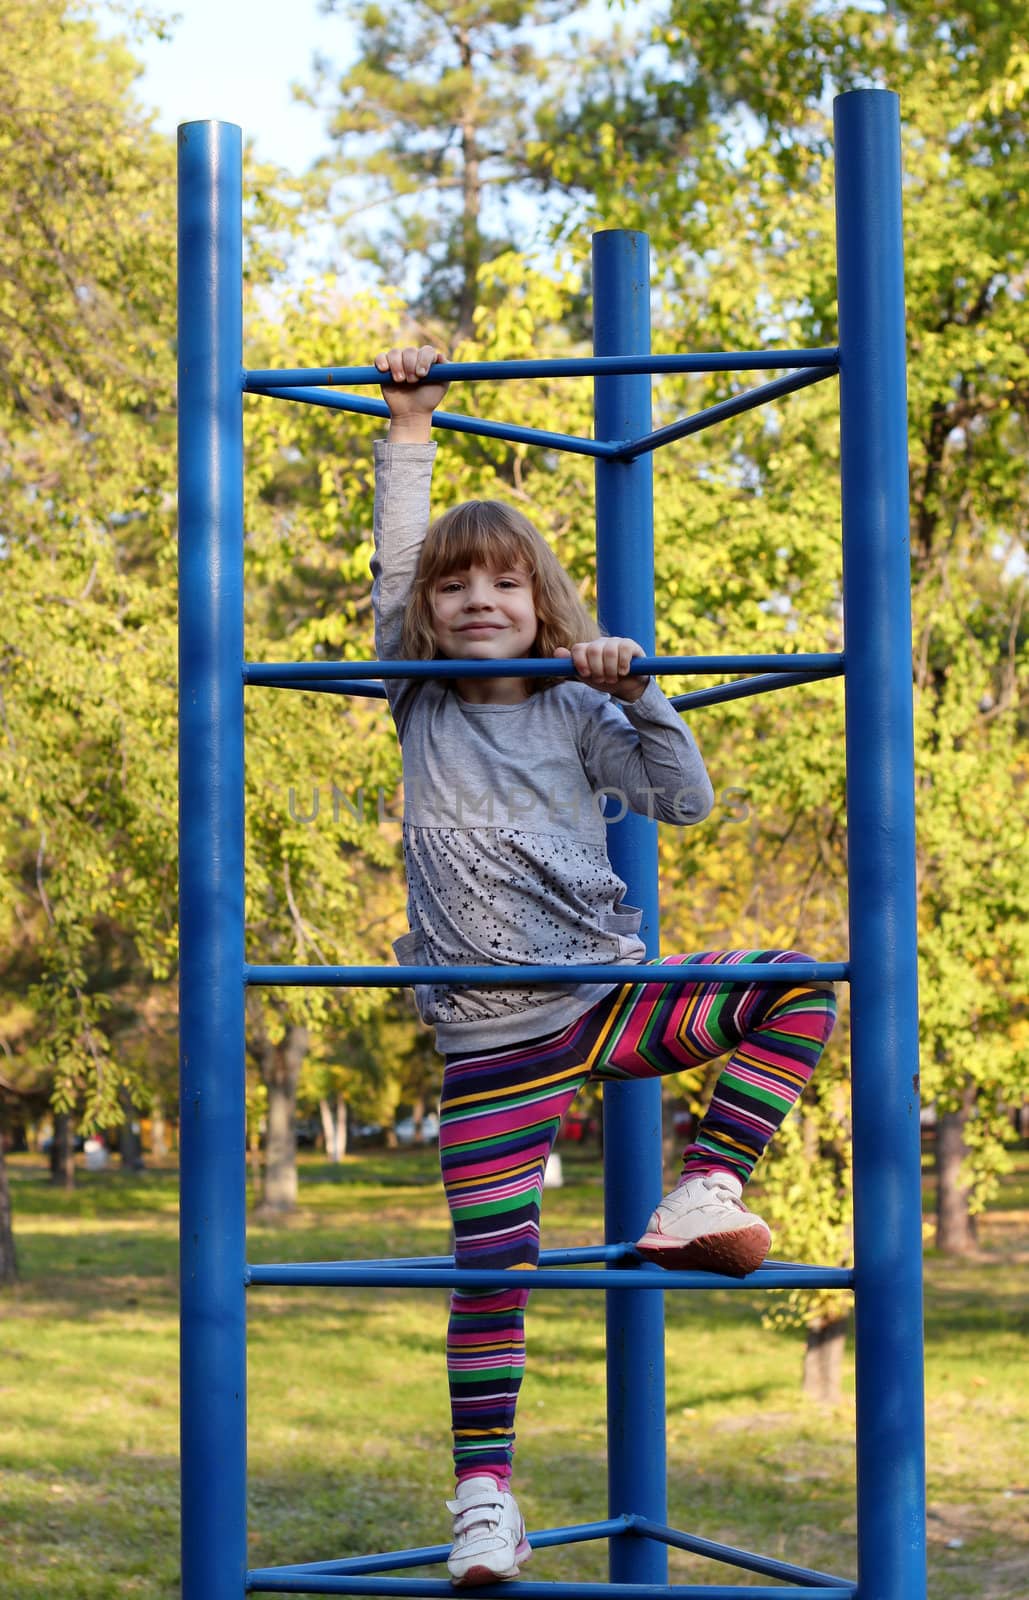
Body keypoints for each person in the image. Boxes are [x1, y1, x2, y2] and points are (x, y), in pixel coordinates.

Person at [370, 344, 838, 1587]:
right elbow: (396, 558)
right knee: (491, 1270)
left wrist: (642, 693)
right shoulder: (415, 697)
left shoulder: (580, 711)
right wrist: (409, 424)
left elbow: (681, 802)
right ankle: (485, 1500)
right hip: (488, 1043)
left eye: (504, 585)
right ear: (425, 614)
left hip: (605, 997)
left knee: (800, 984)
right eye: (455, 586)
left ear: (543, 604)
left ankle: (703, 1186)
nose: (477, 601)